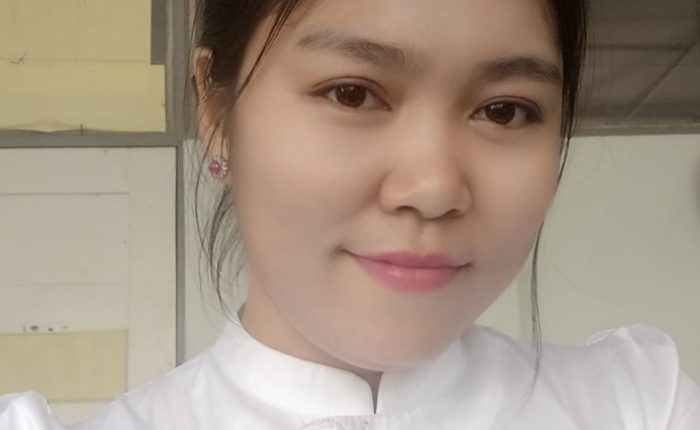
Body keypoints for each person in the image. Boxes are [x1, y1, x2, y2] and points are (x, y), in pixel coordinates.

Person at [2, 0, 699, 428]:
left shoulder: (639, 405)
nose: (433, 188)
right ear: (217, 114)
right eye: (352, 94)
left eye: (505, 110)